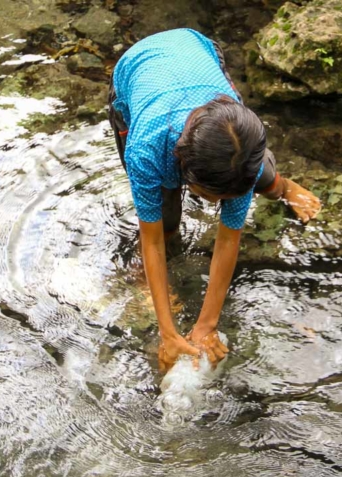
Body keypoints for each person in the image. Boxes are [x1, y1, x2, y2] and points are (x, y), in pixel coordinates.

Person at [108, 28, 321, 372]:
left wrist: (207, 324)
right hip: (136, 74)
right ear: (187, 175)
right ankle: (143, 280)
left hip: (199, 54)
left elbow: (227, 240)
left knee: (252, 169)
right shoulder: (145, 150)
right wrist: (168, 332)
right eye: (211, 197)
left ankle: (282, 185)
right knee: (165, 223)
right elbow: (152, 242)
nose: (215, 206)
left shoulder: (241, 131)